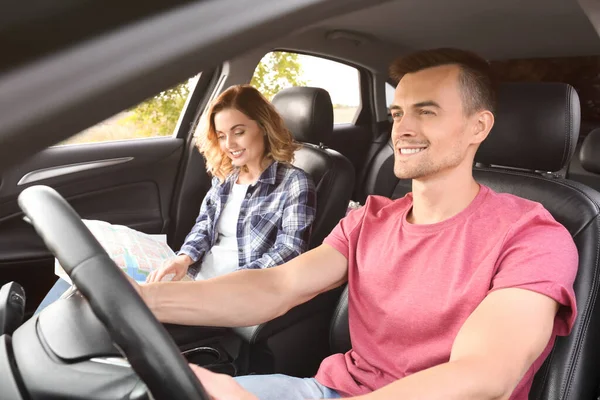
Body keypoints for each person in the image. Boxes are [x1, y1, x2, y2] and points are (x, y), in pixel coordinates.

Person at [133, 49, 578, 400]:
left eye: (426, 112)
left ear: (478, 126)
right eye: (399, 112)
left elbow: (485, 376)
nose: (402, 128)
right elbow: (276, 286)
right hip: (328, 390)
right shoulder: (370, 218)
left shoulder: (533, 235)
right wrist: (141, 300)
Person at [36, 85, 317, 312]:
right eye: (221, 136)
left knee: (111, 298)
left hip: (232, 294)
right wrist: (183, 259)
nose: (229, 145)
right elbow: (205, 225)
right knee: (87, 275)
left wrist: (229, 284)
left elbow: (289, 252)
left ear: (264, 128)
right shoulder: (227, 177)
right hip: (196, 278)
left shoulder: (295, 183)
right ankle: (24, 344)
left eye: (239, 132)